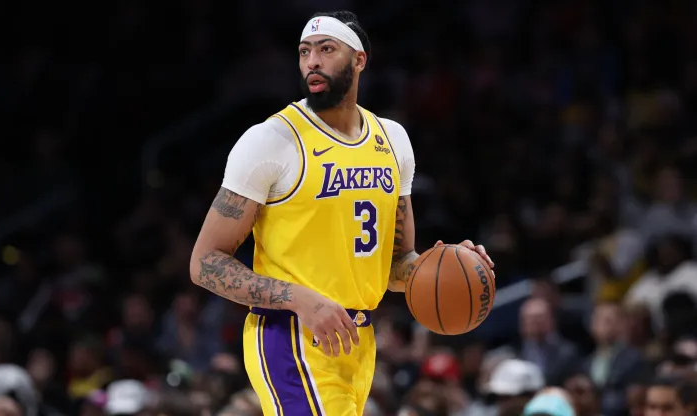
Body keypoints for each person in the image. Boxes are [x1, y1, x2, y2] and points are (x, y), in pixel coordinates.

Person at [189, 10, 495, 416]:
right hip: (290, 336)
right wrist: (301, 300)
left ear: (359, 59)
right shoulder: (272, 140)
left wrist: (446, 267)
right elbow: (205, 262)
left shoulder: (393, 141)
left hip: (358, 339)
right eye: (304, 52)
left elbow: (395, 264)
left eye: (326, 49)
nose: (312, 61)